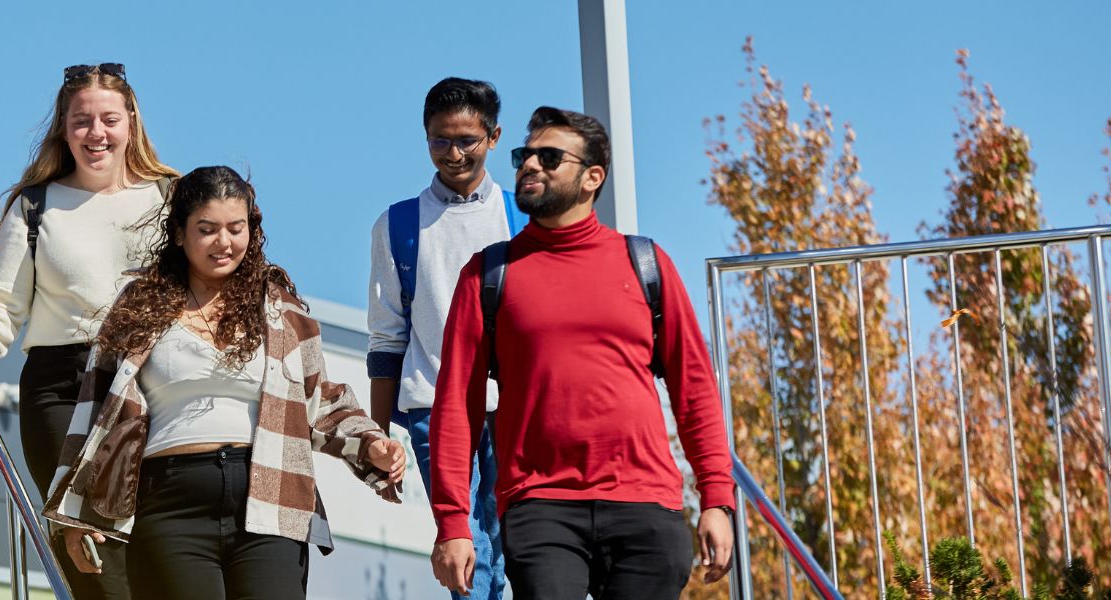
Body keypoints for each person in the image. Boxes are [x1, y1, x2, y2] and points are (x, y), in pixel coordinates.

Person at [43, 165, 406, 600]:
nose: (224, 243)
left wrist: (371, 444)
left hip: (270, 499)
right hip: (169, 503)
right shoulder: (138, 305)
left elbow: (322, 402)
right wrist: (72, 518)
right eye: (207, 229)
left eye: (236, 228)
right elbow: (94, 413)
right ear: (179, 233)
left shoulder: (282, 311)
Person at [428, 106, 735, 599]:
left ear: (593, 177)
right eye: (524, 155)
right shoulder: (487, 274)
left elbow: (693, 388)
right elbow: (455, 408)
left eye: (548, 157)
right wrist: (453, 523)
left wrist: (717, 497)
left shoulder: (647, 263)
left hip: (646, 504)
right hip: (540, 505)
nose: (529, 166)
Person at [0, 61, 178, 599]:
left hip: (155, 383)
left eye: (109, 119)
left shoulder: (171, 198)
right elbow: (0, 299)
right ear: (63, 128)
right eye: (81, 121)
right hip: (62, 386)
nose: (96, 134)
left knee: (161, 551)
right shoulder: (33, 205)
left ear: (131, 121)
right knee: (90, 556)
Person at [364, 76, 519, 600]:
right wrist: (376, 437)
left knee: (511, 548)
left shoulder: (521, 217)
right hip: (434, 406)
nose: (452, 154)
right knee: (464, 550)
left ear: (494, 137)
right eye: (439, 141)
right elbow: (387, 338)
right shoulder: (399, 224)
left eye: (466, 141)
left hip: (517, 408)